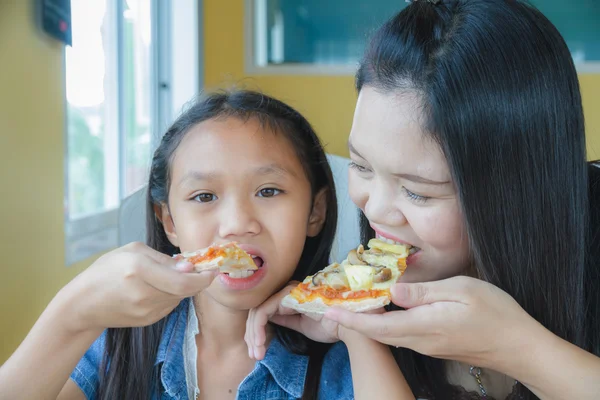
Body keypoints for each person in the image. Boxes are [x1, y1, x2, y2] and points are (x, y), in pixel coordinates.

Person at [245, 1, 600, 399]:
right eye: (361, 166)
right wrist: (355, 322)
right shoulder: (374, 283)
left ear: (515, 187)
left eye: (417, 192)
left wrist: (521, 349)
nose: (374, 209)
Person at [0, 90, 412, 399]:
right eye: (204, 197)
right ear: (169, 222)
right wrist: (73, 311)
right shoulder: (122, 342)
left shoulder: (340, 357)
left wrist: (354, 328)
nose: (236, 225)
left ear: (314, 212)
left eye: (268, 191)